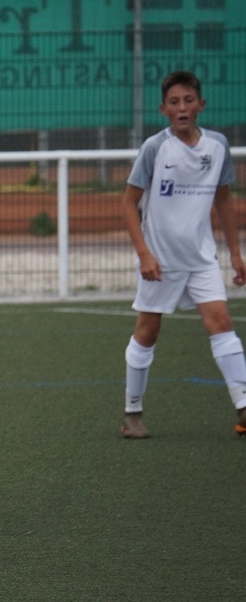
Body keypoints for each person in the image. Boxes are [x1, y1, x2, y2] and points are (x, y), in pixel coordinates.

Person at [119, 70, 246, 439]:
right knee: (148, 330)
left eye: (188, 100)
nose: (182, 108)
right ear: (163, 109)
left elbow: (225, 201)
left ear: (201, 104)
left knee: (221, 321)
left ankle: (243, 405)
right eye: (174, 102)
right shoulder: (155, 148)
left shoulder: (217, 146)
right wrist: (144, 254)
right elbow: (128, 204)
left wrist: (235, 253)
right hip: (160, 260)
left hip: (201, 257)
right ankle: (132, 412)